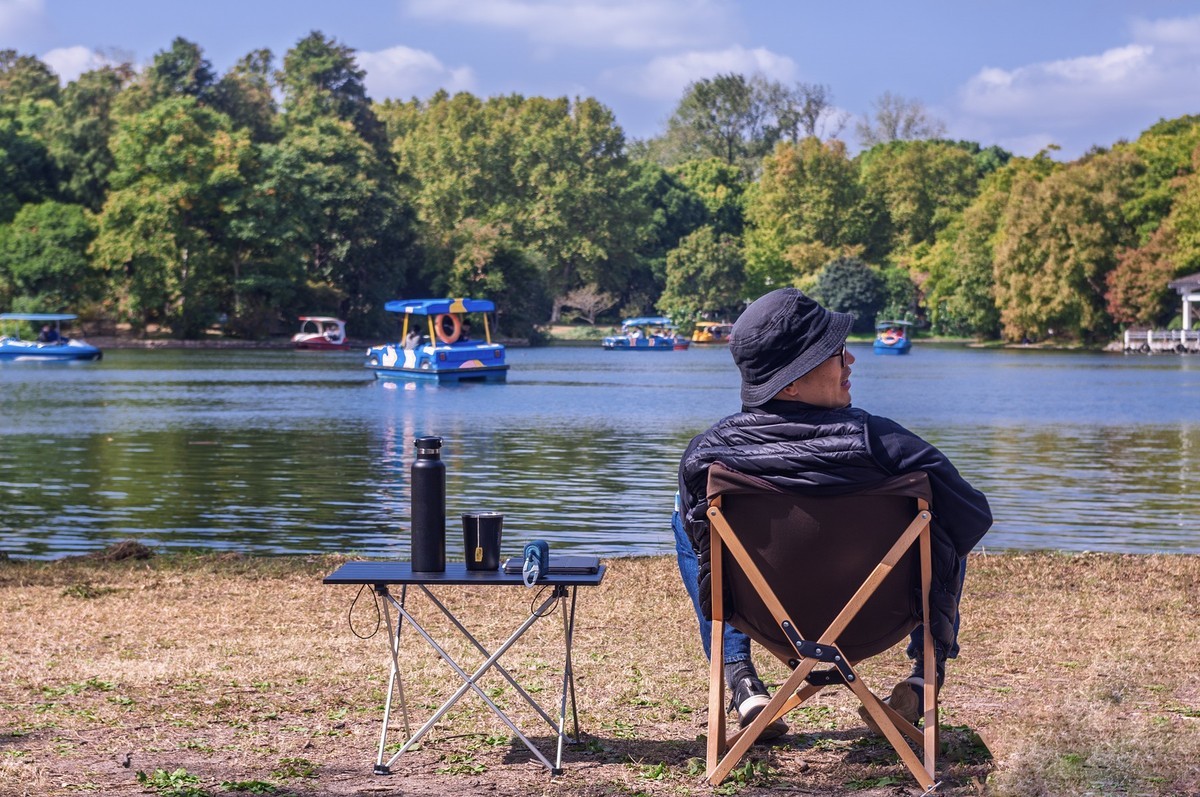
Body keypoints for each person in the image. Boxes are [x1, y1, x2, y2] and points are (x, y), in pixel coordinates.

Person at [674, 288, 991, 739]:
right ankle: (924, 680)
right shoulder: (885, 444)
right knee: (942, 517)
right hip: (879, 617)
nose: (851, 362)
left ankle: (742, 683)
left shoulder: (708, 457)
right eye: (836, 353)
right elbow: (973, 518)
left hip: (764, 619)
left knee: (689, 517)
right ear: (791, 382)